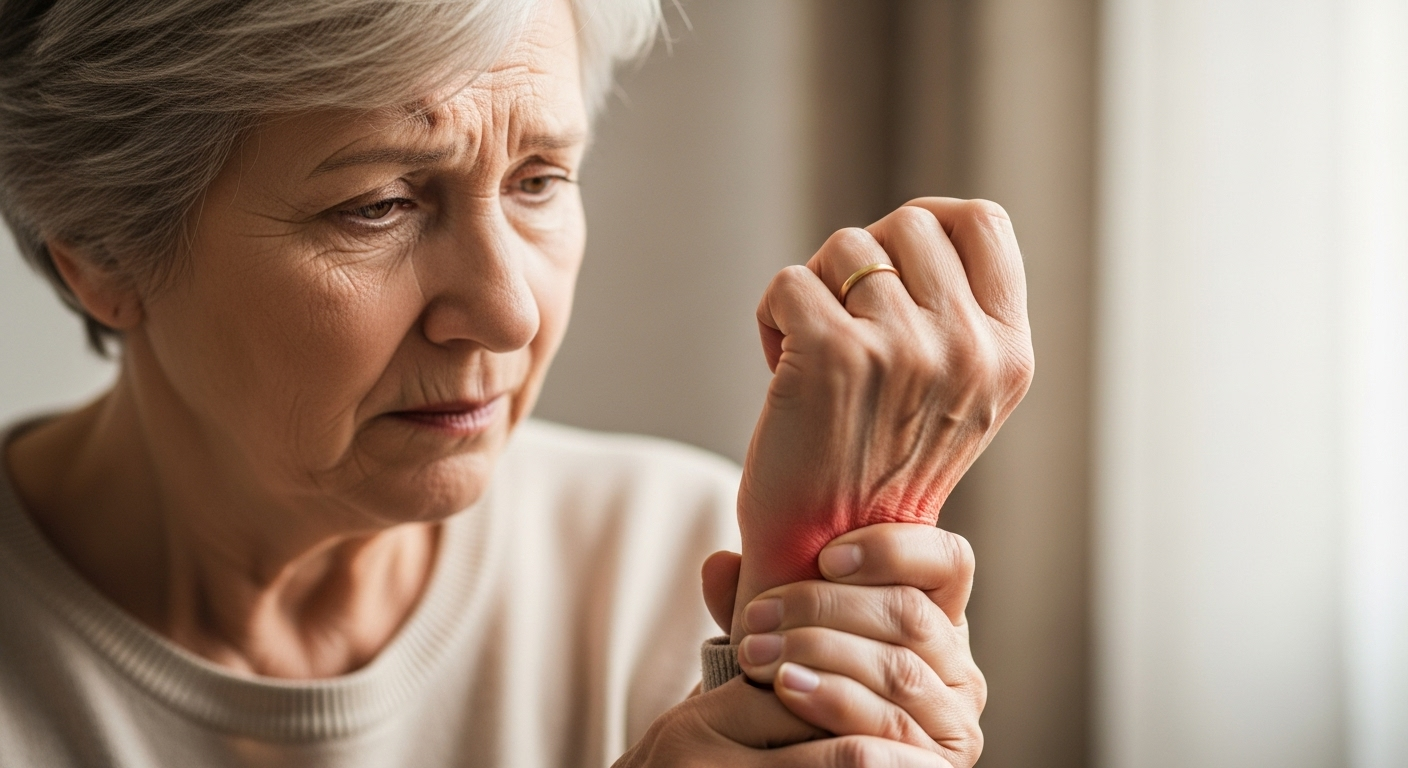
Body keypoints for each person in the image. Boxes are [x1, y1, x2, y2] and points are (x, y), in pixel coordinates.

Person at [0, 0, 1034, 765]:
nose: (510, 311)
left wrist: (823, 679)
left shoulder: (676, 566)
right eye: (379, 204)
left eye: (539, 180)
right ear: (100, 253)